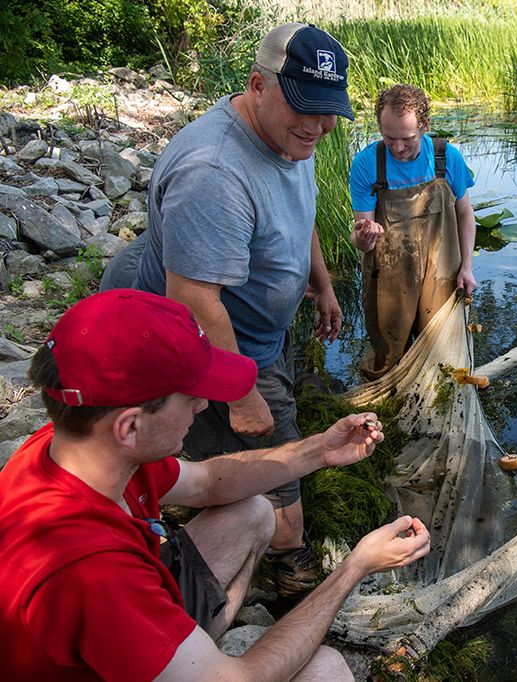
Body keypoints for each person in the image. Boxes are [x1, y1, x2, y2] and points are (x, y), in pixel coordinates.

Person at [0, 289, 430, 680]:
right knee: (326, 669)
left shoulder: (79, 452)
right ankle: (194, 661)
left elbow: (208, 483)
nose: (205, 403)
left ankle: (188, 652)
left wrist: (318, 451)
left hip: (119, 633)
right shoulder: (91, 572)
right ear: (130, 425)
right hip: (117, 632)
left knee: (254, 511)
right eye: (192, 396)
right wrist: (355, 567)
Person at [109, 23, 352, 595]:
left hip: (259, 331)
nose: (318, 126)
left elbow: (302, 210)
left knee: (254, 441)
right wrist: (241, 394)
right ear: (257, 85)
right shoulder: (213, 171)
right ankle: (288, 568)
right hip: (216, 346)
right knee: (272, 457)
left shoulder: (293, 137)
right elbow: (193, 300)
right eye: (305, 110)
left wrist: (322, 284)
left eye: (328, 111)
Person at [348, 84, 477, 380]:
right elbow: (361, 241)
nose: (398, 148)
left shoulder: (446, 158)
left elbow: (464, 214)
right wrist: (364, 238)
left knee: (443, 356)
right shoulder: (367, 164)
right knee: (389, 356)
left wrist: (467, 267)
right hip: (389, 275)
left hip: (441, 269)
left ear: (425, 126)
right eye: (389, 138)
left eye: (407, 139)